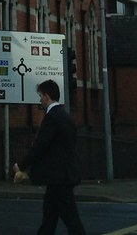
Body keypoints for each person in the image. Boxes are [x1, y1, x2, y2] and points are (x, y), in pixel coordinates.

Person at [13, 80, 85, 235]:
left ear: (46, 96)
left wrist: (22, 165)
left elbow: (40, 146)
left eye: (40, 96)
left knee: (71, 220)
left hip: (59, 177)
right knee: (49, 219)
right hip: (62, 176)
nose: (40, 100)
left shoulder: (52, 118)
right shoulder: (66, 117)